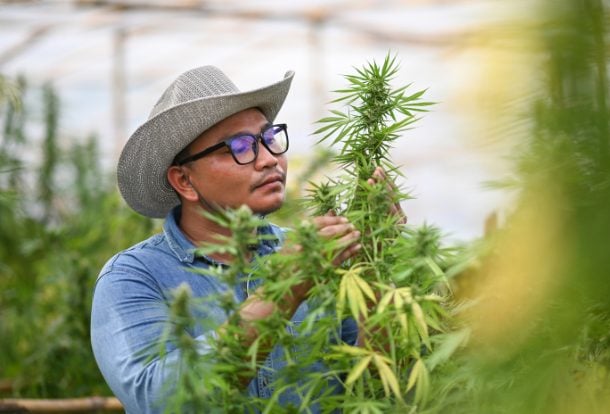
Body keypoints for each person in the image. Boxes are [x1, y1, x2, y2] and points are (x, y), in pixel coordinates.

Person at [90, 66, 400, 413]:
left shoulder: (318, 257)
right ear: (184, 181)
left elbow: (372, 392)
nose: (270, 160)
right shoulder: (133, 277)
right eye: (240, 146)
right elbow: (163, 401)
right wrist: (287, 285)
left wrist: (373, 267)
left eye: (269, 139)